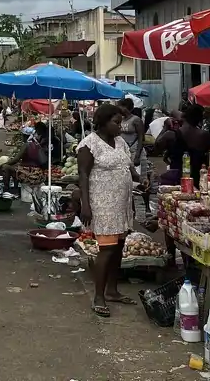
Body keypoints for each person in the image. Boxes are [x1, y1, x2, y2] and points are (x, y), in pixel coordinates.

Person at [78, 102, 148, 318]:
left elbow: (127, 166)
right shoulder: (89, 144)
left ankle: (112, 290)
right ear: (103, 122)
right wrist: (86, 206)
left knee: (118, 248)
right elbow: (83, 175)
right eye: (116, 122)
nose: (120, 126)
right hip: (103, 205)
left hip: (123, 204)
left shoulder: (120, 142)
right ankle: (98, 296)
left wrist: (139, 179)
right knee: (106, 250)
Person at [118, 99, 147, 168]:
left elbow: (141, 138)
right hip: (125, 152)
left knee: (139, 176)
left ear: (125, 107)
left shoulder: (136, 120)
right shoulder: (121, 119)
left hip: (135, 151)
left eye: (119, 107)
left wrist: (137, 156)